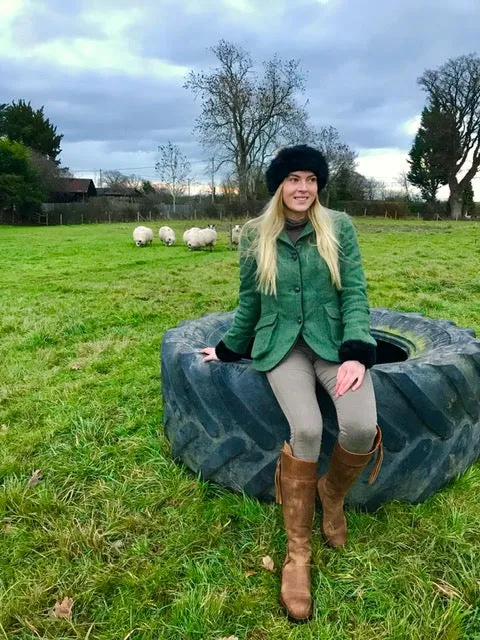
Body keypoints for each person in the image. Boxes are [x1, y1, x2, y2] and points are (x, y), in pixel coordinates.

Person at [201, 145, 382, 623]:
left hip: (332, 341)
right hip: (282, 347)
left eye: (311, 180)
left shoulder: (339, 227)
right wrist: (224, 349)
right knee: (306, 430)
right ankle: (297, 553)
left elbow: (356, 292)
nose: (303, 188)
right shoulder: (255, 235)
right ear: (279, 185)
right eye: (293, 179)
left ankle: (332, 495)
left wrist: (357, 351)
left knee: (361, 427)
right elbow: (249, 303)